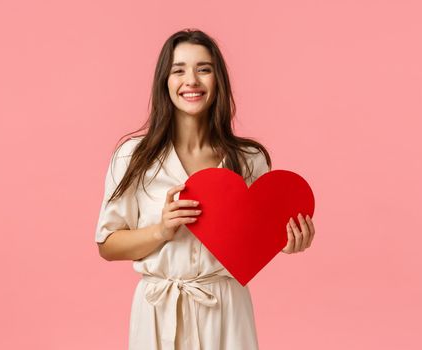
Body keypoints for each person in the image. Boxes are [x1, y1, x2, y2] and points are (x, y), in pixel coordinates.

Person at [94, 28, 316, 350]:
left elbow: (258, 236)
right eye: (178, 69)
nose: (192, 81)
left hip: (226, 310)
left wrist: (285, 241)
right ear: (164, 82)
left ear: (218, 80)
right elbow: (107, 245)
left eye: (204, 69)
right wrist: (161, 231)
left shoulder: (249, 159)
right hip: (158, 310)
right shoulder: (133, 156)